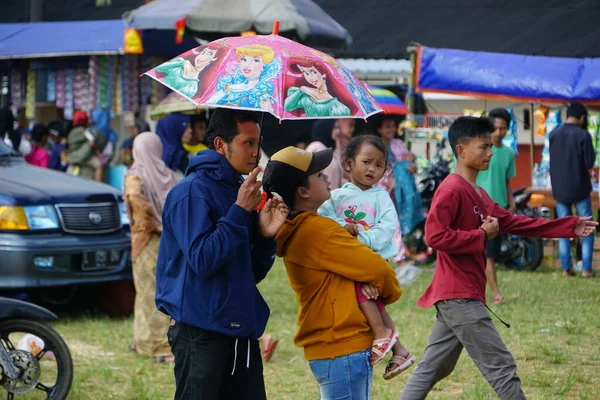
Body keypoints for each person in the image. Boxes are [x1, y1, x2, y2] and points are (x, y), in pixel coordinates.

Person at [399, 117, 597, 400]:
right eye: (484, 147)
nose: (491, 153)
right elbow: (434, 237)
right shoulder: (451, 189)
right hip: (460, 297)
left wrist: (567, 226)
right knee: (501, 367)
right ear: (461, 150)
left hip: (457, 295)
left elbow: (515, 222)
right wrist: (480, 235)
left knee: (433, 367)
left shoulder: (479, 193)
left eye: (491, 146)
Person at [155, 108, 288, 400]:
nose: (256, 152)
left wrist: (266, 237)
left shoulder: (241, 190)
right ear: (220, 144)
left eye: (258, 142)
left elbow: (251, 272)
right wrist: (239, 211)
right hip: (199, 330)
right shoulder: (191, 192)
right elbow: (203, 260)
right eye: (248, 143)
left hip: (240, 328)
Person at [262, 146, 402, 399]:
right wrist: (386, 294)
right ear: (302, 191)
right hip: (342, 345)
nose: (327, 177)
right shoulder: (319, 231)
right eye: (318, 175)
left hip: (330, 347)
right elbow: (378, 270)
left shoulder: (297, 228)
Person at [318, 135, 416, 380]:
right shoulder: (337, 196)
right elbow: (323, 215)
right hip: (348, 258)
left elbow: (388, 226)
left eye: (379, 165)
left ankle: (382, 332)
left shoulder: (380, 196)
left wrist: (362, 240)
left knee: (363, 290)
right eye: (367, 162)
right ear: (349, 164)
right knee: (371, 299)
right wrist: (343, 226)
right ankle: (399, 350)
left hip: (372, 259)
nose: (373, 168)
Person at [124, 132, 179, 363]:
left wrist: (151, 224)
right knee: (156, 292)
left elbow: (135, 199)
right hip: (168, 242)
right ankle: (143, 341)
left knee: (149, 294)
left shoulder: (135, 175)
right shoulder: (170, 175)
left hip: (145, 241)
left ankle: (162, 347)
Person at [549, 102, 596, 278]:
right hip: (581, 188)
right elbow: (589, 163)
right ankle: (586, 269)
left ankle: (565, 268)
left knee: (564, 228)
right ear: (582, 118)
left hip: (560, 189)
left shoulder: (553, 134)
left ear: (567, 115)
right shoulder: (584, 135)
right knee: (586, 228)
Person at [476, 108, 516, 303]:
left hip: (497, 210)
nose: (499, 132)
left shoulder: (508, 153)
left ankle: (489, 292)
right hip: (476, 208)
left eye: (503, 128)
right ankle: (495, 292)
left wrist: (512, 203)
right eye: (496, 128)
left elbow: (508, 182)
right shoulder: (477, 151)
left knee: (490, 254)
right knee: (482, 254)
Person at [373, 116, 418, 265]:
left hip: (400, 189)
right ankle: (400, 258)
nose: (391, 129)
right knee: (392, 222)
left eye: (392, 125)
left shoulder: (398, 143)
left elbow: (408, 161)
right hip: (382, 188)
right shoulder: (376, 146)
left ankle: (397, 255)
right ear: (379, 129)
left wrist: (411, 162)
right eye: (387, 126)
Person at [208, 44, 281, 111]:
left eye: (255, 60)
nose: (247, 65)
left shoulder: (261, 94)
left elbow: (267, 116)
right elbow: (209, 103)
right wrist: (225, 90)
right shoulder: (231, 84)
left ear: (264, 66)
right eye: (244, 59)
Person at [284, 56, 353, 117]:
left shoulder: (336, 106)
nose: (310, 77)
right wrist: (302, 89)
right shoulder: (306, 94)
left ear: (324, 74)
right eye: (305, 73)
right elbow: (287, 106)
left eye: (313, 72)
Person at [306, 119, 345, 190]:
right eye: (335, 127)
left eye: (339, 128)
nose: (338, 131)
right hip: (319, 197)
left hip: (333, 197)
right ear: (326, 128)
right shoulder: (315, 147)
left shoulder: (334, 149)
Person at [67, 111, 108, 180]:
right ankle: (99, 185)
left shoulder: (72, 132)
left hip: (73, 156)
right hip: (83, 157)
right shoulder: (85, 132)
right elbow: (92, 139)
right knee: (99, 165)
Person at [90, 108, 119, 181]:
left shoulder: (91, 132)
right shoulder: (111, 134)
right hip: (105, 167)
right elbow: (110, 153)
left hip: (92, 169)